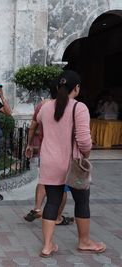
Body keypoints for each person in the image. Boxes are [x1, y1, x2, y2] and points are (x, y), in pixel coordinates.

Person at [36, 70, 106, 257]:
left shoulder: (45, 107)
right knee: (82, 202)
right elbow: (83, 140)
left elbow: (40, 127)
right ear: (76, 88)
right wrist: (87, 154)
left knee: (51, 202)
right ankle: (84, 242)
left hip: (50, 163)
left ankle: (47, 245)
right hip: (72, 164)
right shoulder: (79, 107)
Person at [24, 85, 74, 226]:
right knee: (62, 186)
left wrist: (29, 144)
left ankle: (37, 208)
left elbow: (33, 126)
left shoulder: (42, 106)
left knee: (43, 180)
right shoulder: (72, 107)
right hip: (64, 154)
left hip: (45, 151)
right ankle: (57, 217)